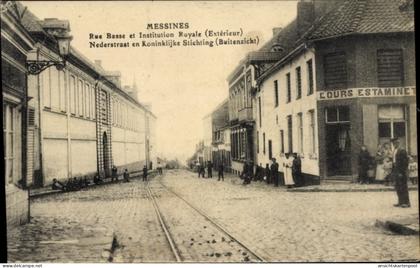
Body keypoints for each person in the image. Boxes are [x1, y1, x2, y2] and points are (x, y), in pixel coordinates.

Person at [391, 138, 410, 208]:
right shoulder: (394, 151)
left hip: (401, 171)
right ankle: (400, 202)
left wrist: (401, 172)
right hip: (396, 170)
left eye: (395, 143)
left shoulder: (402, 150)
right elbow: (394, 162)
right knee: (398, 187)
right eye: (393, 143)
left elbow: (405, 162)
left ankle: (406, 203)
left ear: (398, 143)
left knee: (403, 187)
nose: (394, 144)